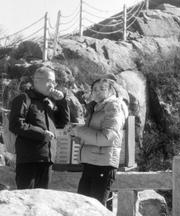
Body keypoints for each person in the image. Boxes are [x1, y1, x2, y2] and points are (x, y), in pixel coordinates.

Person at [9, 65, 70, 189]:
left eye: (54, 82)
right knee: (27, 200)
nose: (52, 85)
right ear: (36, 81)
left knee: (42, 202)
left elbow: (63, 123)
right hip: (28, 159)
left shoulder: (49, 102)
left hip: (47, 159)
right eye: (49, 81)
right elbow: (16, 124)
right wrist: (41, 134)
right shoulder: (23, 99)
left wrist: (62, 102)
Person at [70, 77, 128, 207]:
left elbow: (107, 137)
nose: (97, 92)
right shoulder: (96, 108)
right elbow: (94, 136)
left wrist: (79, 130)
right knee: (84, 207)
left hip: (103, 165)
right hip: (92, 163)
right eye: (95, 89)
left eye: (102, 88)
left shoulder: (113, 107)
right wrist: (79, 138)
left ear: (111, 91)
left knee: (96, 209)